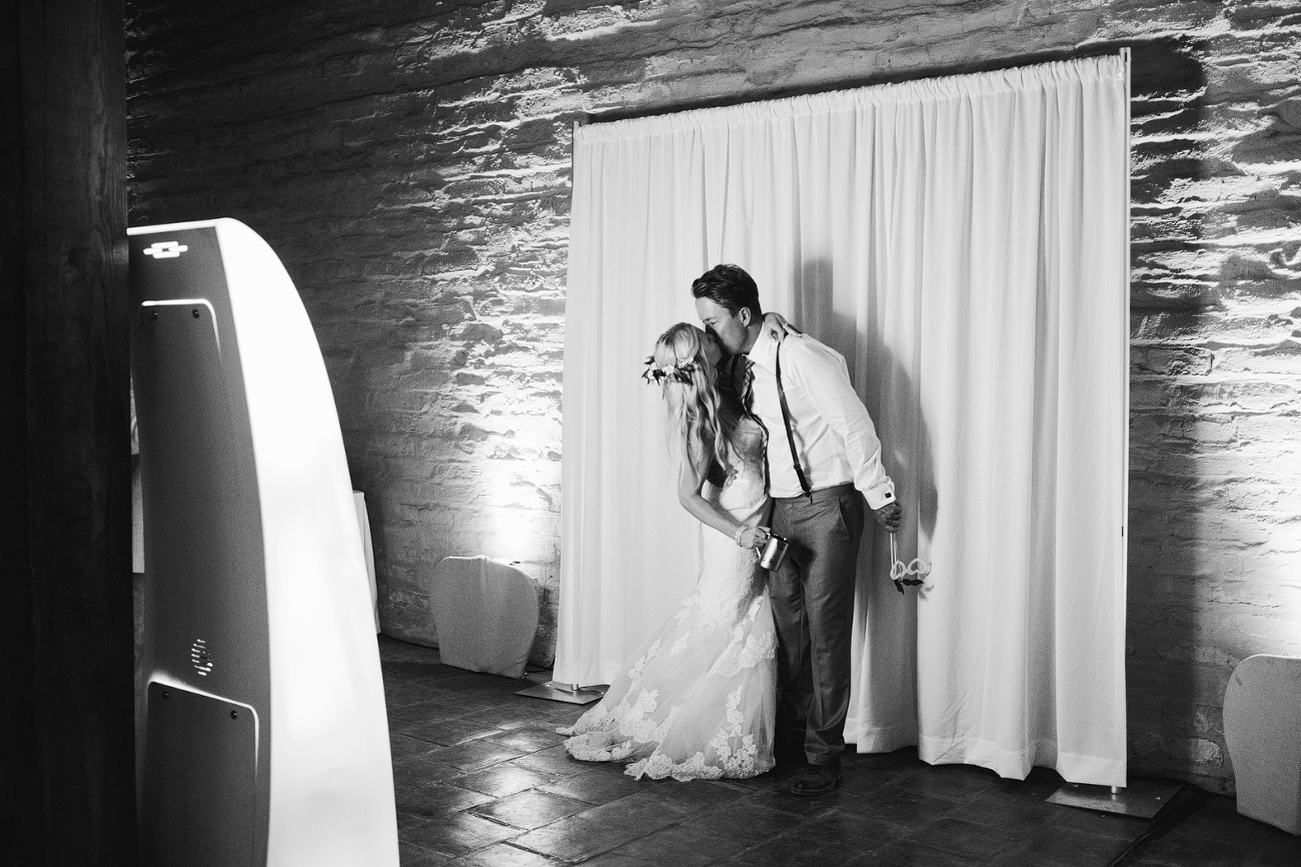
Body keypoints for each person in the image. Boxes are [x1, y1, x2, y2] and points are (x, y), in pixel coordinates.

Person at [692, 263, 903, 797]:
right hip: (779, 513)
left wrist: (879, 494)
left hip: (828, 506)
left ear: (743, 314)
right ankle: (789, 738)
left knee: (827, 636)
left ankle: (823, 758)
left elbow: (854, 425)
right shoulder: (744, 365)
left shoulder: (804, 356)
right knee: (790, 631)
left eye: (714, 322)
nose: (710, 333)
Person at [558, 322, 778, 780]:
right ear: (700, 359)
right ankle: (675, 720)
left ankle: (686, 712)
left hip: (753, 518)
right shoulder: (698, 422)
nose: (716, 341)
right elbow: (687, 495)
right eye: (708, 341)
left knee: (726, 625)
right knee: (716, 624)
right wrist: (739, 534)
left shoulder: (725, 393)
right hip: (734, 533)